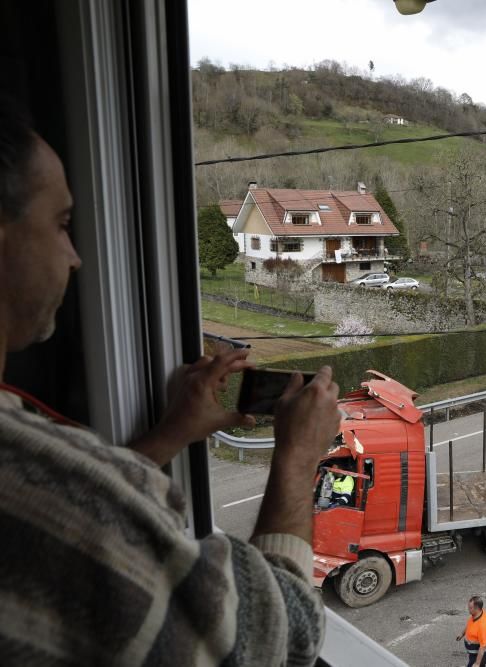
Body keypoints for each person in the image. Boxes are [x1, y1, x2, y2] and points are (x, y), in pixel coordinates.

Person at [0, 101, 341, 664]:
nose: (77, 257)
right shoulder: (37, 487)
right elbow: (284, 636)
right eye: (60, 225)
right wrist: (299, 458)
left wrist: (167, 437)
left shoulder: (50, 487)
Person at [456, 595, 486, 667]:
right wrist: (462, 634)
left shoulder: (482, 626)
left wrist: (477, 663)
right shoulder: (477, 614)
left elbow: (482, 647)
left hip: (480, 655)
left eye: (470, 608)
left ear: (477, 609)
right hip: (474, 653)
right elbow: (470, 624)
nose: (468, 609)